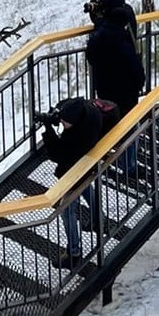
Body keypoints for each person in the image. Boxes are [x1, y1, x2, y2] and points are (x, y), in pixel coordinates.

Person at [39, 96, 120, 268]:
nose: (62, 125)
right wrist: (55, 114)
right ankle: (99, 220)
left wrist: (48, 129)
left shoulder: (82, 135)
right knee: (85, 187)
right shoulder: (83, 110)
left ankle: (73, 253)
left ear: (74, 123)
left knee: (67, 208)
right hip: (86, 162)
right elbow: (66, 109)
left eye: (65, 123)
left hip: (76, 167)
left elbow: (57, 154)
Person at [85, 0, 146, 177]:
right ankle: (129, 159)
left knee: (116, 125)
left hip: (108, 88)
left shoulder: (107, 33)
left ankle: (123, 164)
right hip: (129, 86)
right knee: (130, 123)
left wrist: (98, 22)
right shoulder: (126, 17)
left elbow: (92, 54)